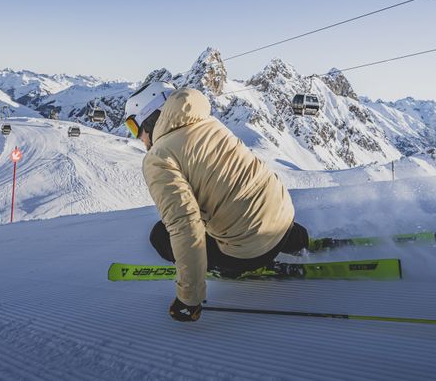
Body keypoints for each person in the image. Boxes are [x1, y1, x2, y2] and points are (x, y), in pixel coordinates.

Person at [124, 81, 310, 322]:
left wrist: (188, 298)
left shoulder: (158, 156)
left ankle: (238, 263)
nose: (138, 137)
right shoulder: (211, 123)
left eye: (133, 126)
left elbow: (185, 226)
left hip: (250, 252)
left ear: (151, 117)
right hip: (284, 219)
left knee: (160, 235)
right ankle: (299, 240)